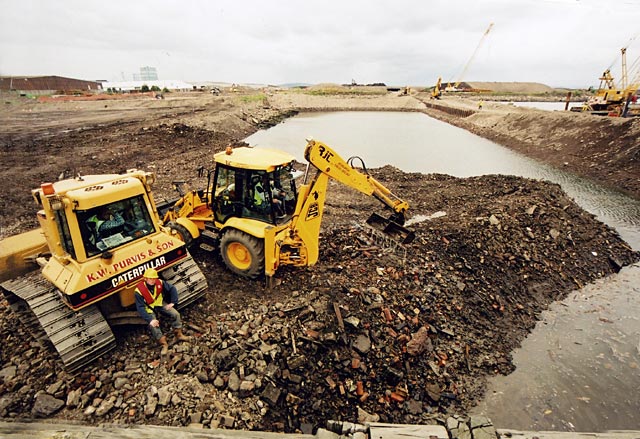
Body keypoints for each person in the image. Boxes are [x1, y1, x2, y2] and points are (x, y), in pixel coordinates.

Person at [134, 268, 190, 355]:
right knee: (154, 325)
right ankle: (164, 344)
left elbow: (172, 289)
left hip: (159, 304)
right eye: (150, 278)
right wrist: (150, 319)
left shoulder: (159, 282)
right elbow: (140, 307)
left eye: (154, 278)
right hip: (149, 308)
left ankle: (179, 335)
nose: (153, 280)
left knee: (176, 314)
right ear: (145, 279)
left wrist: (173, 302)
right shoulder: (139, 291)